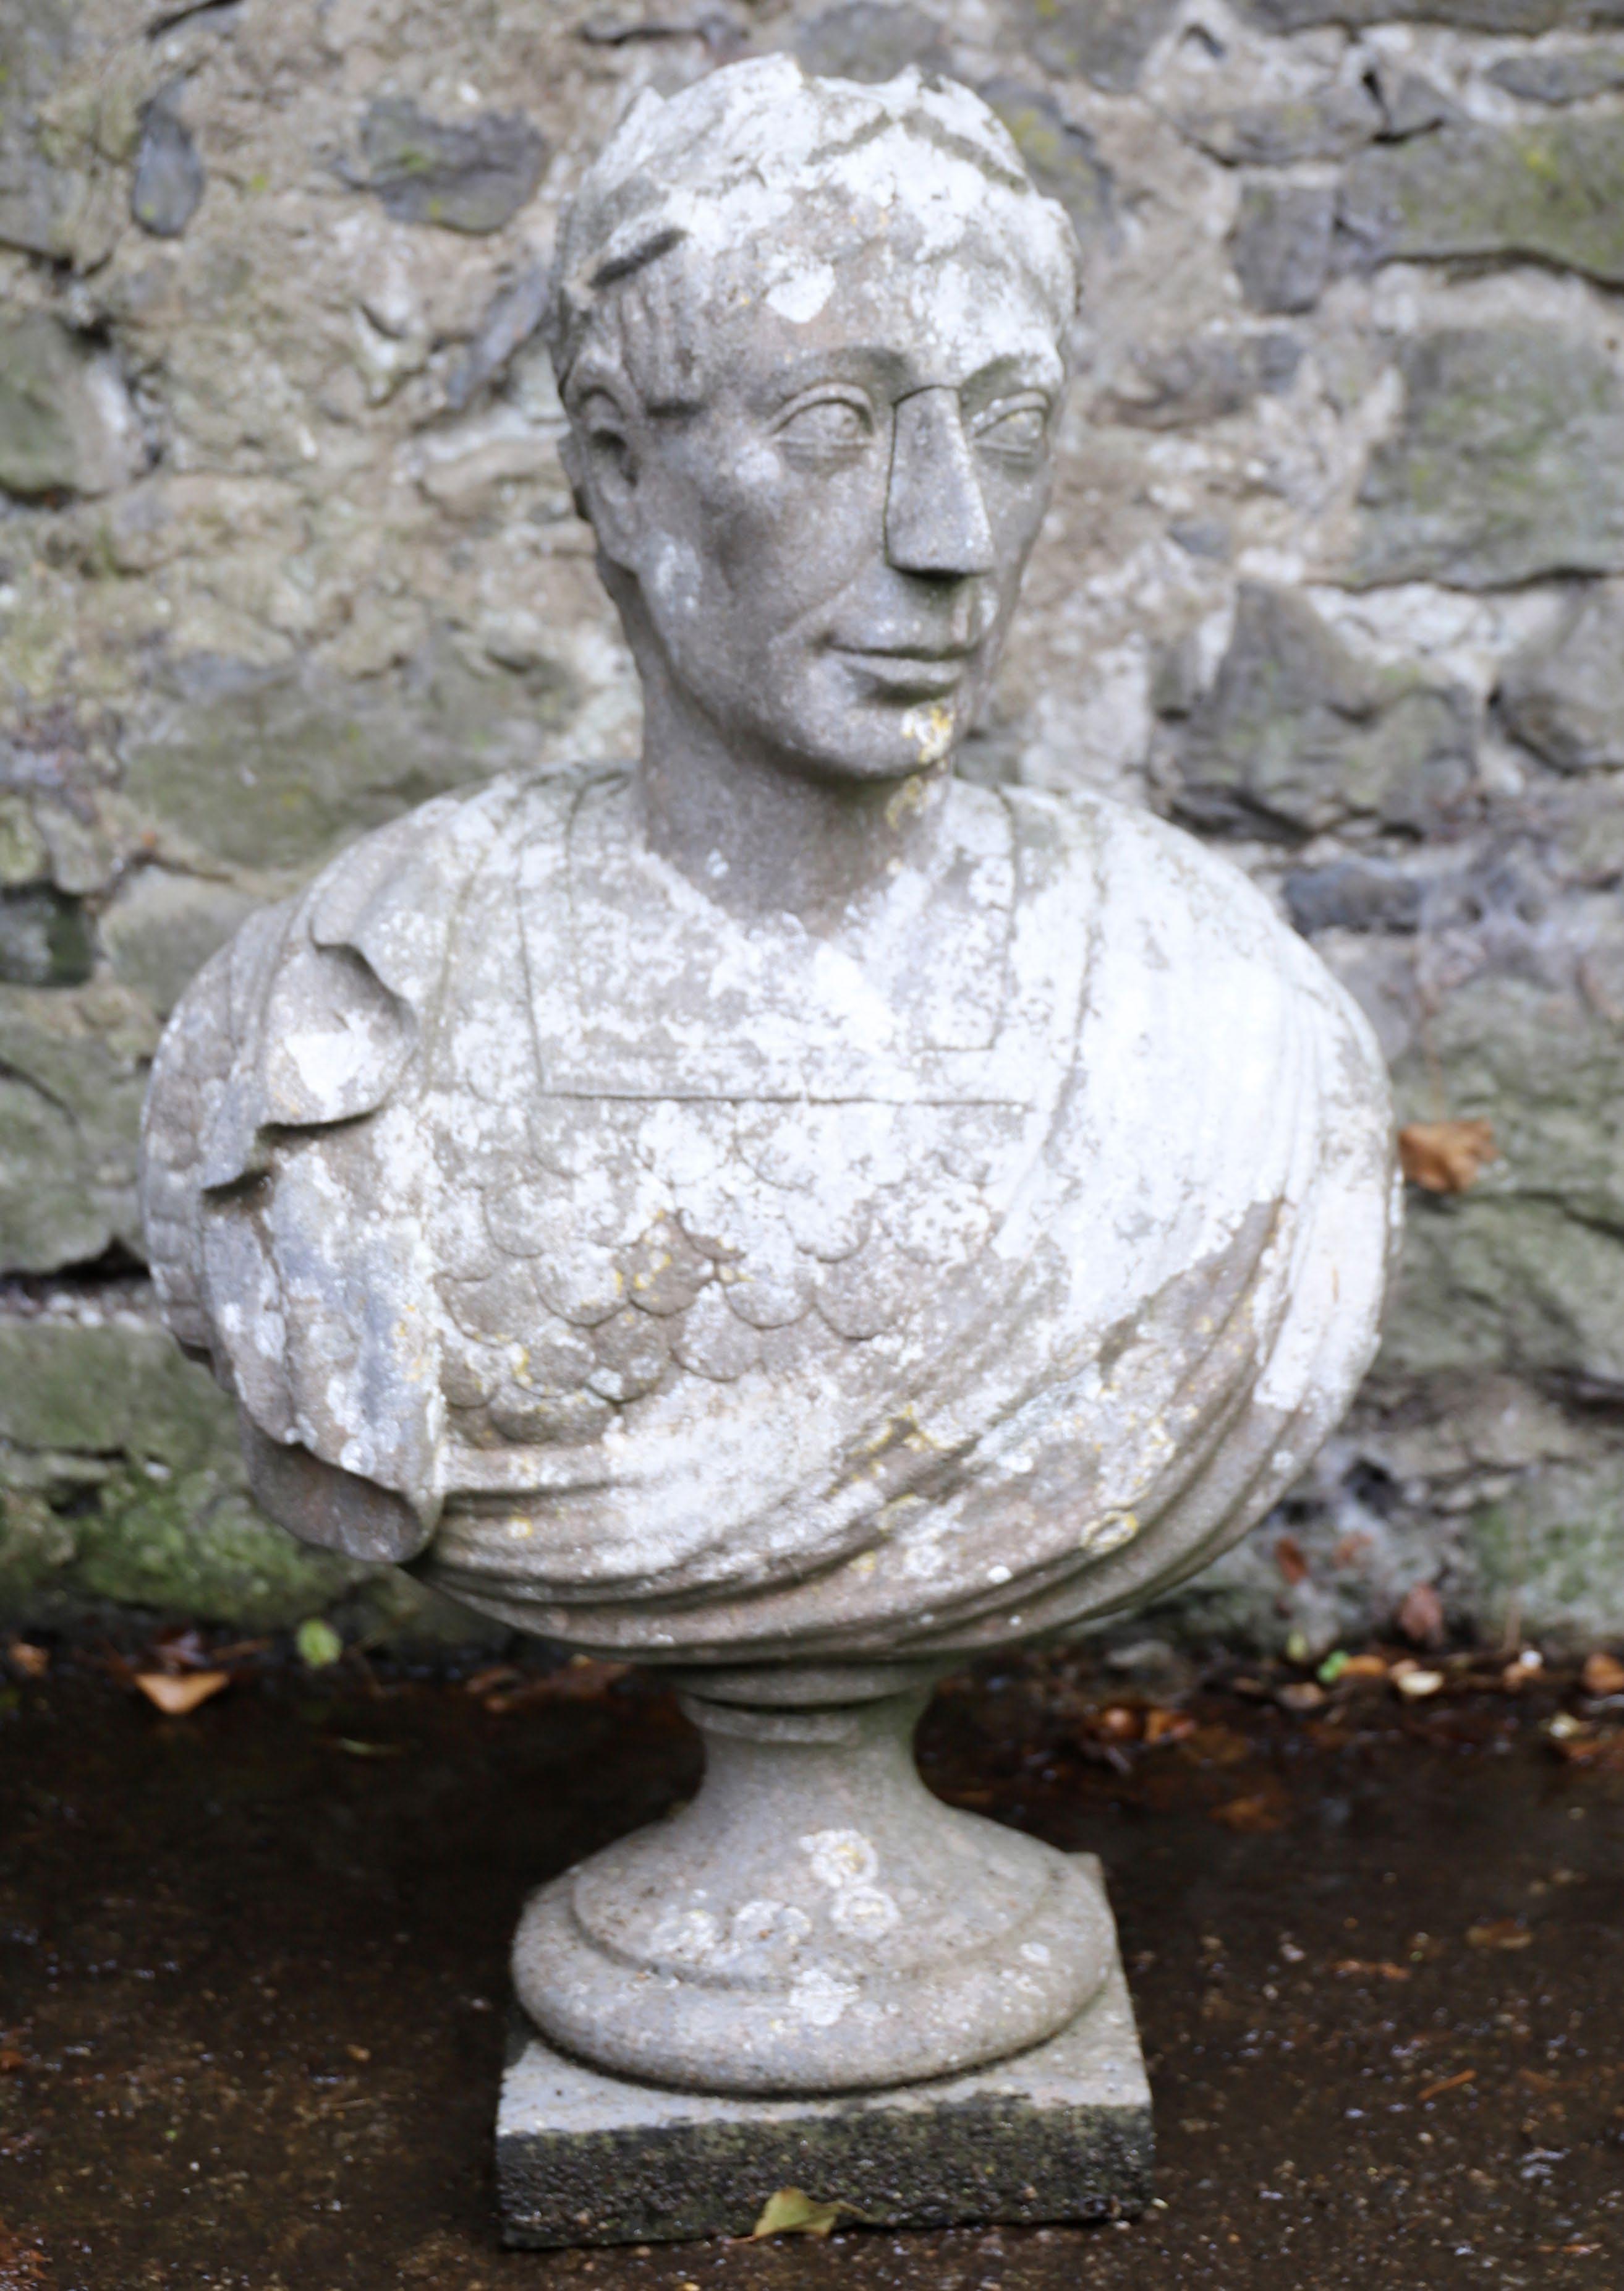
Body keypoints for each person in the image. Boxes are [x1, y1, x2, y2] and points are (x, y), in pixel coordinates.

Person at [141, 57, 1397, 1668]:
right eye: (832, 426)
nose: (948, 535)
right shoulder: (338, 1027)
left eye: (1007, 426)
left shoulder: (1226, 1023)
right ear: (618, 472)